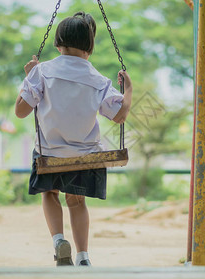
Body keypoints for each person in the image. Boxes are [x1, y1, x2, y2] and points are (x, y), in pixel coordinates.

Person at [14, 12, 133, 266]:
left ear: (58, 43)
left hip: (49, 154)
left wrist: (29, 78)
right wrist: (129, 91)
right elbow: (120, 116)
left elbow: (21, 111)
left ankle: (59, 241)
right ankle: (83, 257)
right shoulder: (99, 80)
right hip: (86, 156)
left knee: (50, 193)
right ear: (89, 48)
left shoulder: (42, 71)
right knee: (77, 202)